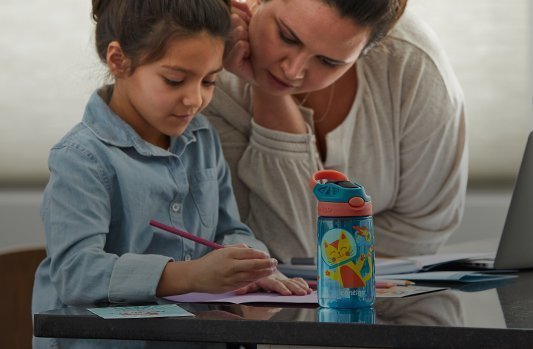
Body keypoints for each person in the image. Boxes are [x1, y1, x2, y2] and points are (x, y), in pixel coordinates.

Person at [33, 1, 311, 346]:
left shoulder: (201, 137)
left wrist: (249, 263)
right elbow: (75, 273)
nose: (194, 100)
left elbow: (228, 228)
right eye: (175, 80)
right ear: (118, 60)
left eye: (209, 81)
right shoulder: (81, 158)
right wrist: (191, 275)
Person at [203, 0, 468, 263]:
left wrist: (269, 87)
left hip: (383, 295)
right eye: (287, 36)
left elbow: (421, 233)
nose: (292, 71)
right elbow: (277, 253)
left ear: (366, 51)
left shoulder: (411, 66)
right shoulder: (203, 72)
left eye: (329, 61)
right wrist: (270, 96)